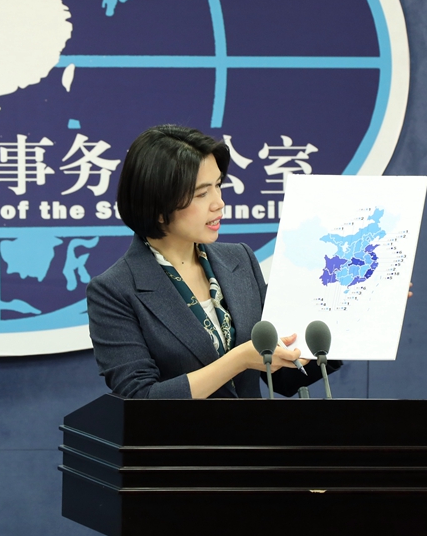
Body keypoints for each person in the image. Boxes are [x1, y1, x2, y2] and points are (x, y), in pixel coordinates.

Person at [86, 124, 339, 399]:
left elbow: (282, 378)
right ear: (157, 206)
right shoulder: (114, 290)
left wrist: (338, 333)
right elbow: (140, 398)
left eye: (218, 185)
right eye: (201, 193)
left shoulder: (239, 259)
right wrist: (238, 360)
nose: (219, 203)